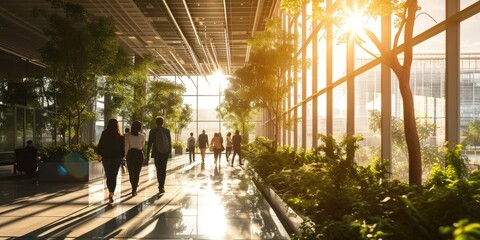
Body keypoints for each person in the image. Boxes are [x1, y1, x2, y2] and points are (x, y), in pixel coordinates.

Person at [97, 119, 125, 204]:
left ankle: (110, 191)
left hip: (106, 158)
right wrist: (122, 157)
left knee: (108, 175)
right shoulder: (120, 136)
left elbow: (100, 144)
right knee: (114, 176)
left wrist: (99, 154)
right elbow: (122, 149)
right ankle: (112, 192)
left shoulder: (104, 133)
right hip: (116, 158)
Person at [146, 116, 172, 195]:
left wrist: (147, 153)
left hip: (156, 152)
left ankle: (160, 185)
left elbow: (150, 143)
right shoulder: (167, 131)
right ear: (163, 122)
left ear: (156, 122)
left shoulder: (153, 131)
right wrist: (169, 152)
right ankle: (162, 186)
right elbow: (169, 143)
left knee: (158, 168)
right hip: (165, 152)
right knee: (163, 168)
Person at [124, 121, 145, 196]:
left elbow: (126, 146)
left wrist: (125, 156)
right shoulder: (142, 135)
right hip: (139, 154)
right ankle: (134, 189)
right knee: (137, 173)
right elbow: (142, 146)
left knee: (131, 172)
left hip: (131, 154)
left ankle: (133, 185)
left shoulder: (127, 135)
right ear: (140, 127)